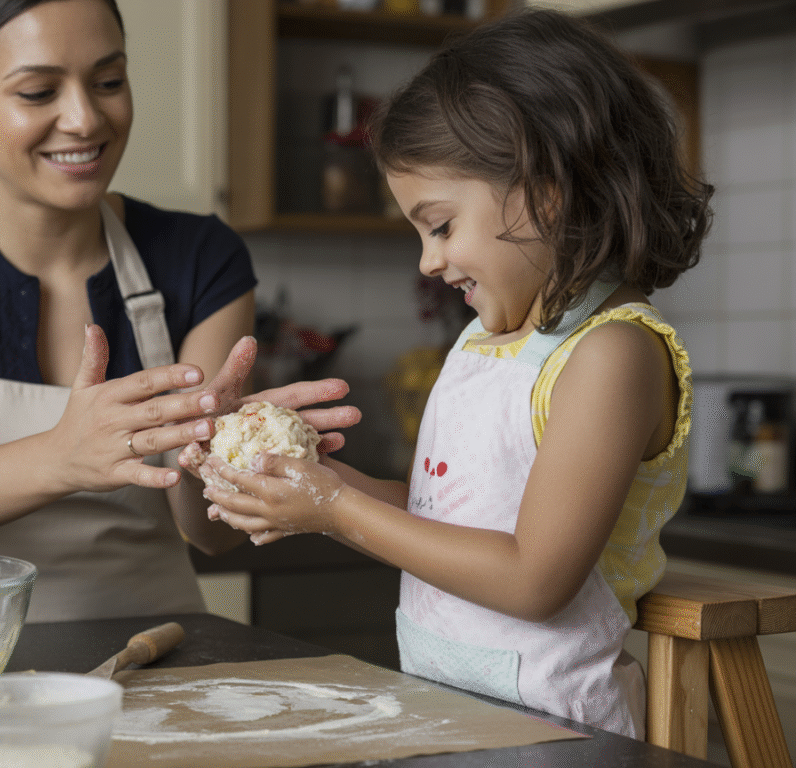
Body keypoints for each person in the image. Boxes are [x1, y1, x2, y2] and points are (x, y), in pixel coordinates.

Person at [196, 9, 713, 739]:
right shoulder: (482, 341)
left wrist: (333, 510)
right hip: (445, 710)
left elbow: (535, 577)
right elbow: (446, 517)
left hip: (558, 734)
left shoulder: (612, 354)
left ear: (547, 189)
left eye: (439, 225)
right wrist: (299, 481)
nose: (427, 261)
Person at [0, 0, 359, 623]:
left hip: (158, 660)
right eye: (38, 91)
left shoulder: (201, 256)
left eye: (108, 82)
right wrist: (64, 454)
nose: (84, 118)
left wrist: (233, 459)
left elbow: (211, 535)